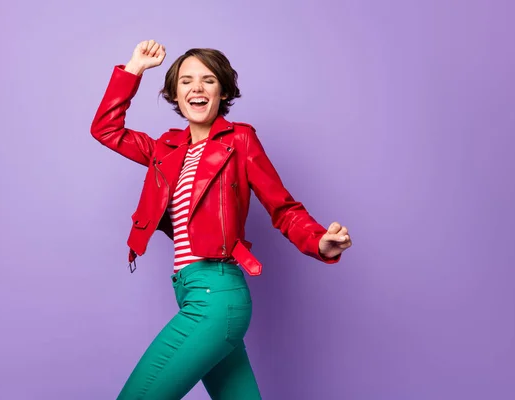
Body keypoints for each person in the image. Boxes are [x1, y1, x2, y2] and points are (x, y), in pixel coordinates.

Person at [90, 39, 352, 400]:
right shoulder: (164, 150)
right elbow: (106, 129)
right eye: (186, 81)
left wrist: (319, 240)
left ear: (223, 90)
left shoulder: (239, 140)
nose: (196, 87)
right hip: (190, 291)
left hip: (216, 295)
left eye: (208, 79)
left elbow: (283, 208)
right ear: (174, 94)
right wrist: (133, 69)